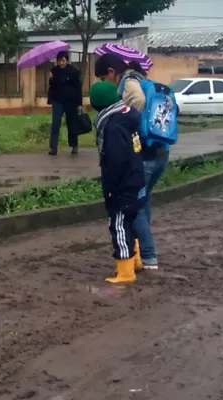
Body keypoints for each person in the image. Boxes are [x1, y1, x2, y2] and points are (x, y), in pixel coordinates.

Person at [94, 54, 169, 270]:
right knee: (141, 202)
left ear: (110, 72)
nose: (102, 84)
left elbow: (138, 101)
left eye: (102, 78)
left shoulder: (128, 82)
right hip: (159, 148)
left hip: (144, 152)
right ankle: (140, 253)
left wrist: (125, 117)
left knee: (131, 206)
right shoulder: (141, 78)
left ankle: (147, 256)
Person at [89, 80, 146, 284]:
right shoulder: (127, 117)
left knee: (119, 225)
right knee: (130, 223)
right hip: (136, 178)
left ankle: (125, 271)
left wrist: (111, 188)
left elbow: (114, 160)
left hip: (122, 185)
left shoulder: (112, 126)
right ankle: (136, 260)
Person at [47, 51, 83, 156]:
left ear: (67, 60)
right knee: (55, 123)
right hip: (57, 101)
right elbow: (52, 86)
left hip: (71, 102)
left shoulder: (74, 71)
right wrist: (51, 78)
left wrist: (79, 103)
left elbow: (78, 89)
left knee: (71, 123)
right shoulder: (54, 71)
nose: (61, 63)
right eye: (59, 60)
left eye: (63, 60)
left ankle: (74, 145)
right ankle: (53, 147)